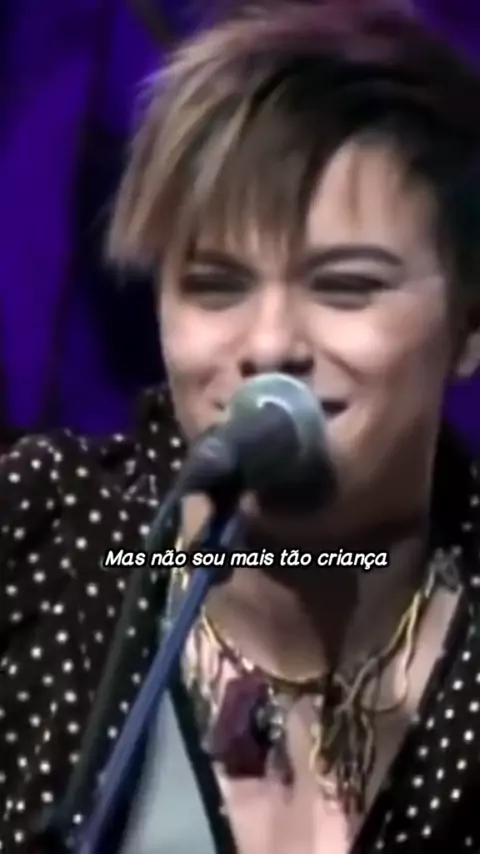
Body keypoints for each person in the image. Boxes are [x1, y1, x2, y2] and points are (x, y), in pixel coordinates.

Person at [3, 1, 480, 852]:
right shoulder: (36, 535)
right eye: (216, 287)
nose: (269, 345)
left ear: (469, 324)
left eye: (345, 287)